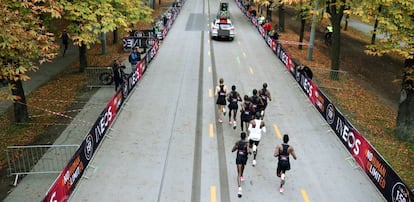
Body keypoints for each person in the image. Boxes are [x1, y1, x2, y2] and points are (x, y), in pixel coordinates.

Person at [231, 132, 251, 198]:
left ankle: (239, 188)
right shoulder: (247, 143)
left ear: (240, 136)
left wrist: (236, 147)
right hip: (244, 157)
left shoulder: (238, 142)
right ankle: (242, 175)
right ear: (245, 137)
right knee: (243, 167)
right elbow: (248, 151)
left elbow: (233, 150)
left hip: (239, 157)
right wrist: (249, 152)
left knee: (238, 173)